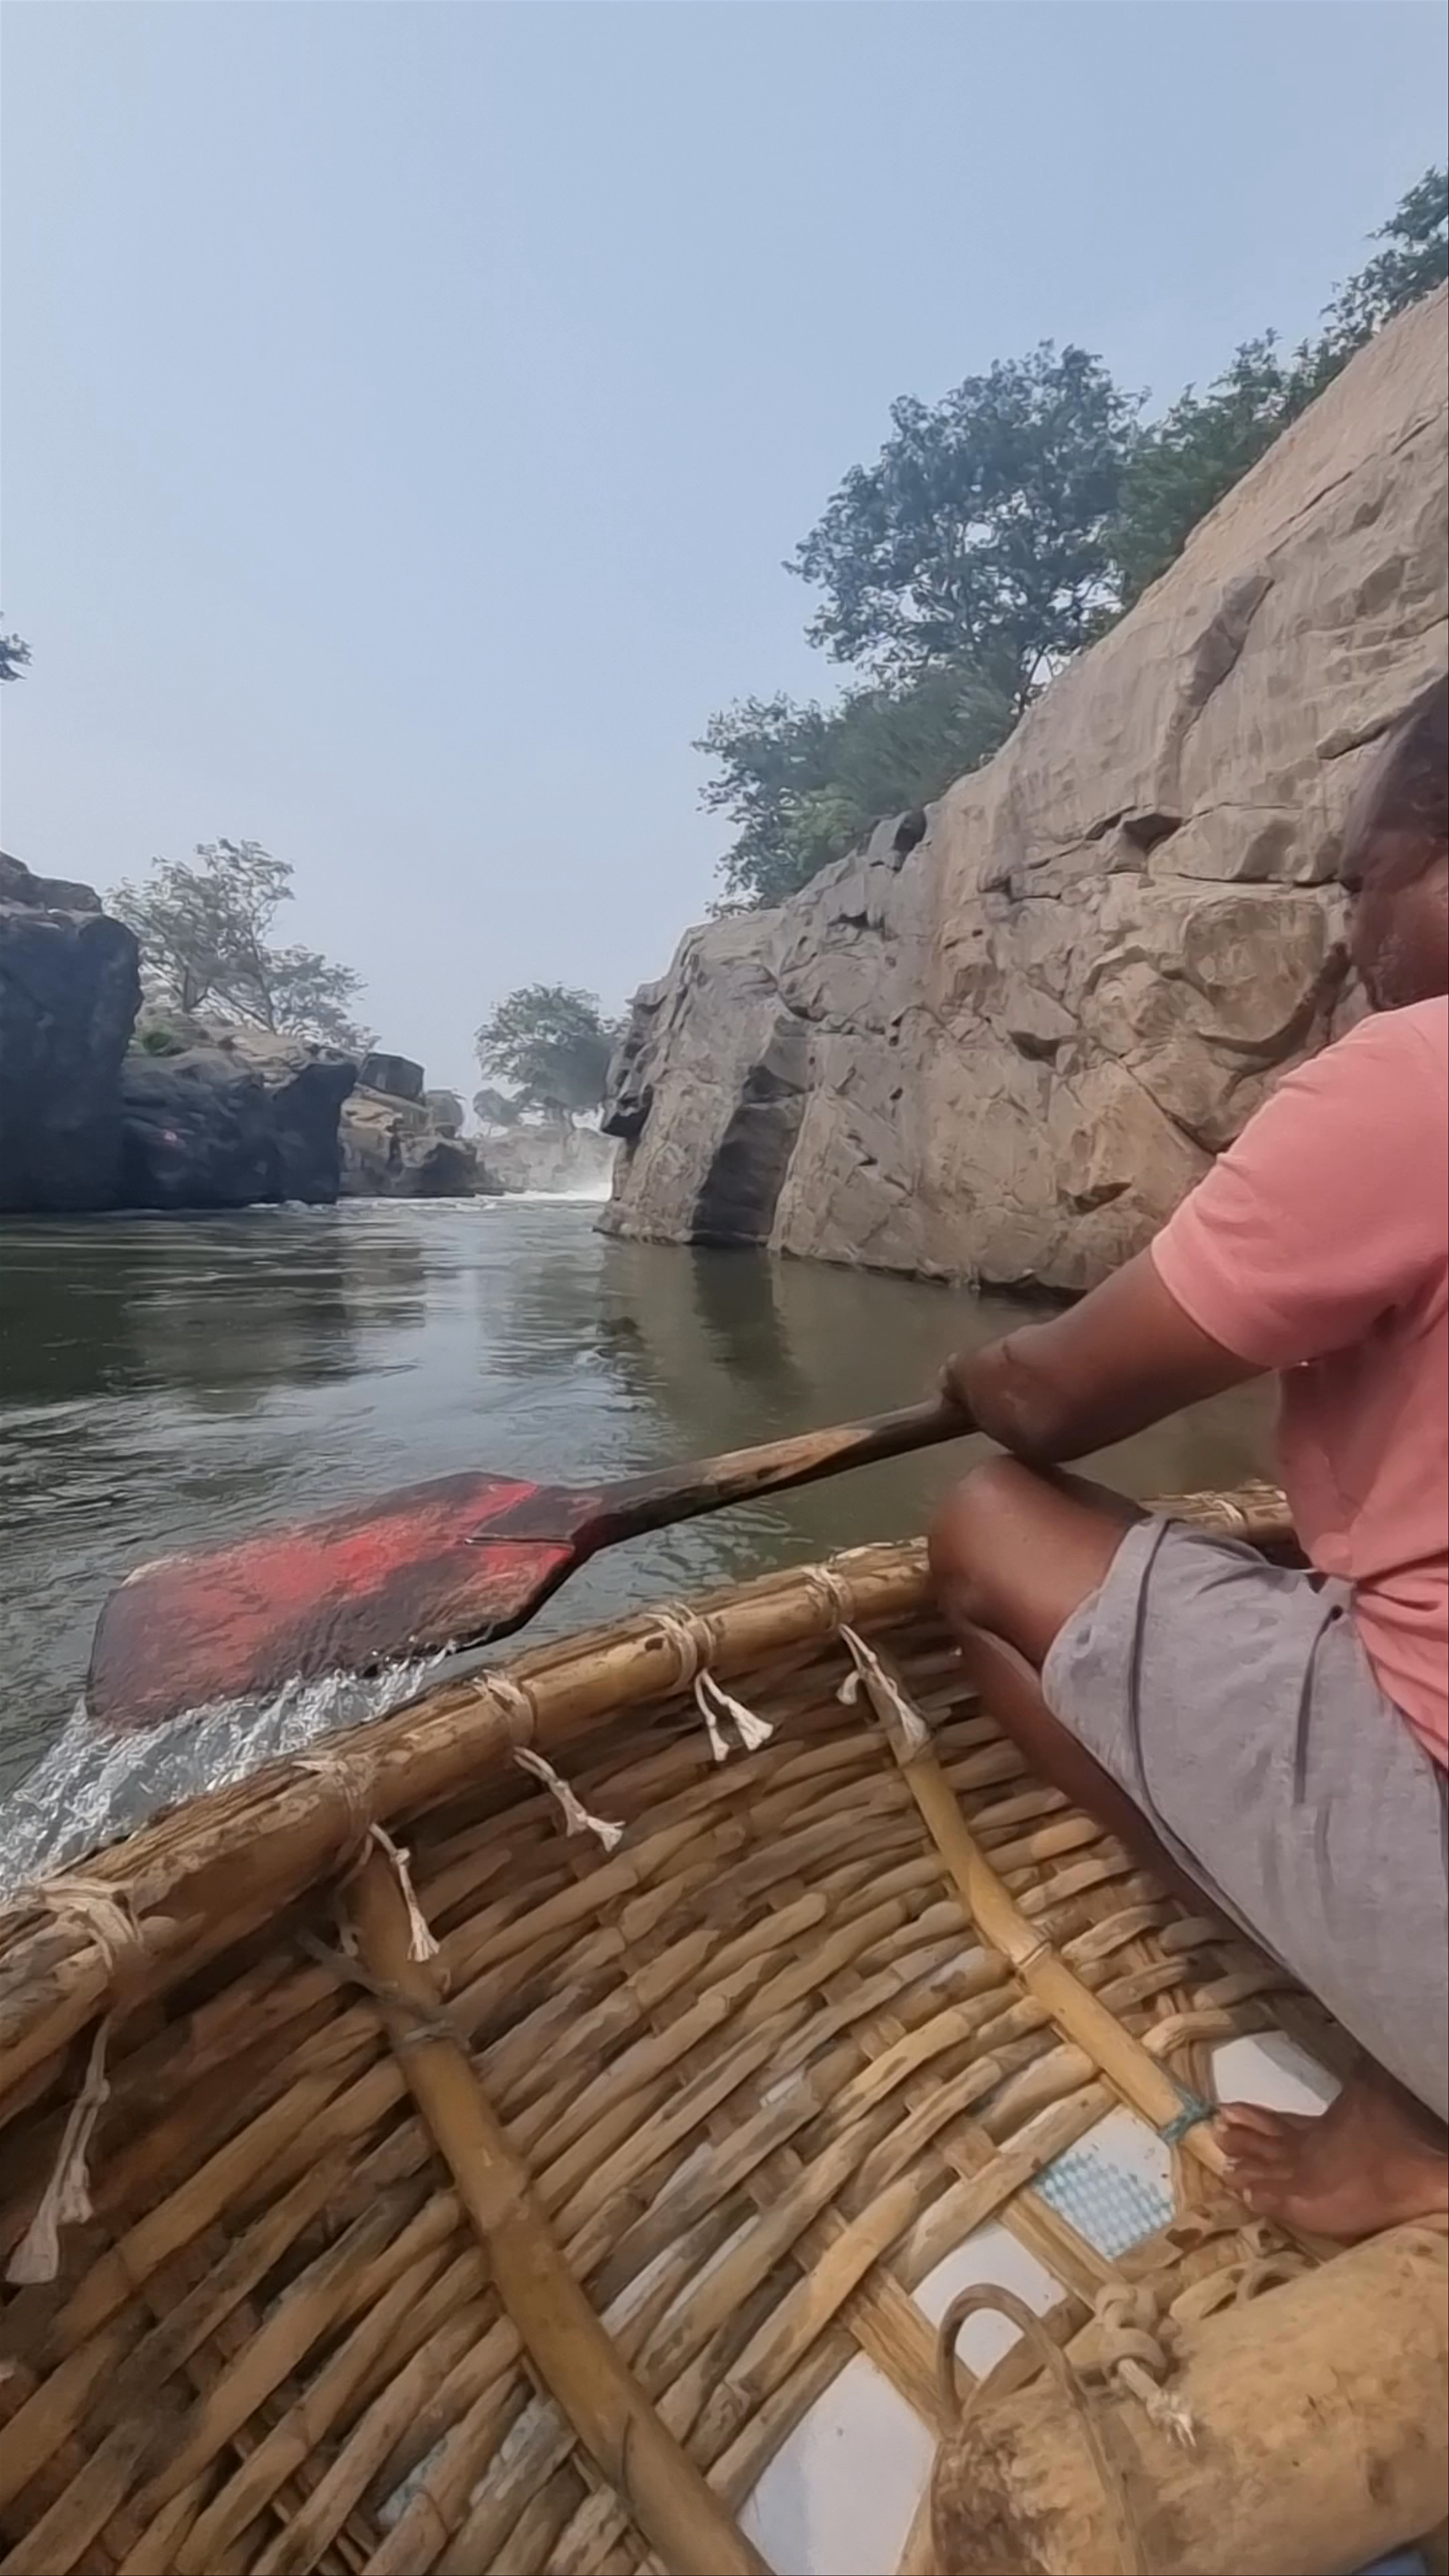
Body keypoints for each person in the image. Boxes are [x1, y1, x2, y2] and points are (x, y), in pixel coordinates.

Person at [929, 674, 1448, 2241]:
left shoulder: (1413, 1079)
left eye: (1365, 884)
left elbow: (1047, 1407)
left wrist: (969, 1370)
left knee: (981, 1526)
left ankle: (1406, 2062)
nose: (1345, 939)